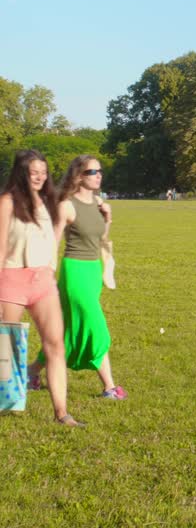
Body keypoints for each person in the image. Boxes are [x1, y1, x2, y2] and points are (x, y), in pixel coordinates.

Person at [29, 155, 125, 401]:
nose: (99, 175)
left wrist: (108, 218)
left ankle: (31, 373)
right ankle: (110, 387)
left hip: (93, 271)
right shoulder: (67, 205)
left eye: (100, 171)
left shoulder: (99, 203)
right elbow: (54, 240)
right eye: (93, 172)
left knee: (66, 332)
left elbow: (99, 238)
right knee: (97, 329)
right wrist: (48, 272)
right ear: (79, 176)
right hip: (74, 272)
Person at [0, 150, 82, 426]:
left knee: (55, 345)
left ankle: (62, 413)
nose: (39, 176)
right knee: (5, 346)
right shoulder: (7, 202)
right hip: (12, 278)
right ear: (21, 172)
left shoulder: (48, 202)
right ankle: (4, 401)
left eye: (43, 171)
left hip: (43, 282)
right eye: (33, 171)